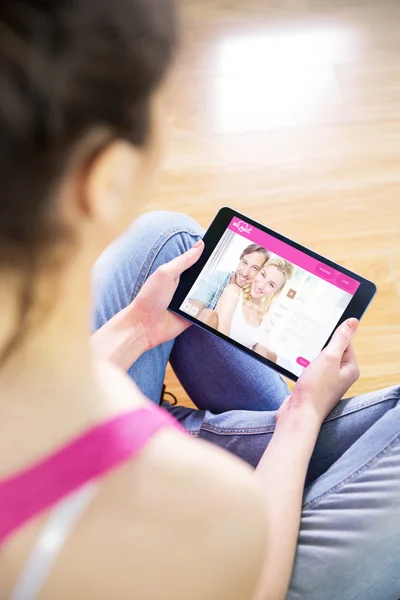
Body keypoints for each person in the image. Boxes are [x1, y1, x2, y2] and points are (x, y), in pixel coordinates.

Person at [0, 3, 399, 600]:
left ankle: (212, 432)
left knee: (166, 241)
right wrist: (299, 419)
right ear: (103, 177)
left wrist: (137, 326)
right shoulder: (208, 503)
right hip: (226, 565)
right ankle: (244, 440)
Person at [200, 257, 294, 357]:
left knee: (272, 356)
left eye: (271, 284)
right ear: (259, 271)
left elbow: (258, 359)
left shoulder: (266, 317)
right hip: (214, 353)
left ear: (276, 291)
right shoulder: (234, 292)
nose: (261, 285)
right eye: (263, 275)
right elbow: (221, 340)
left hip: (236, 363)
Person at [187, 243, 270, 316]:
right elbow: (192, 309)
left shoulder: (255, 298)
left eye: (255, 268)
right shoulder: (219, 277)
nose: (245, 273)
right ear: (240, 260)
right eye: (244, 262)